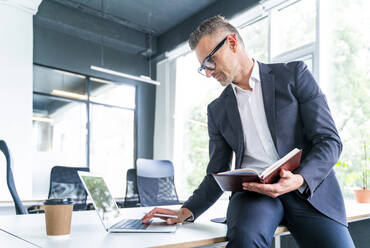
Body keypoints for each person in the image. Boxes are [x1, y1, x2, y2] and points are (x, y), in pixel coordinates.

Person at [142, 15, 355, 248]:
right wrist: (186, 210)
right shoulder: (217, 110)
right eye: (203, 67)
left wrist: (300, 179)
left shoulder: (294, 75)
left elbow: (329, 140)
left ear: (232, 43)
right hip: (254, 195)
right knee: (245, 240)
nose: (208, 73)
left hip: (307, 189)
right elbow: (217, 172)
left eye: (210, 62)